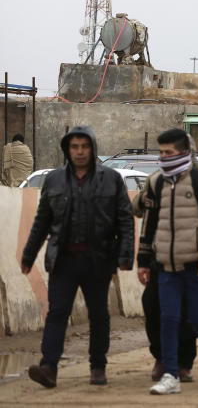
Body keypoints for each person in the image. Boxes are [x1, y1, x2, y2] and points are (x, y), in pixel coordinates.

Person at [20, 125, 135, 389]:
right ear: (67, 150)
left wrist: (125, 255)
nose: (80, 152)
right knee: (57, 312)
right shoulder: (54, 180)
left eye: (84, 146)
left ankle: (98, 366)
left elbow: (125, 221)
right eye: (75, 147)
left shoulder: (111, 179)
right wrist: (29, 255)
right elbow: (42, 222)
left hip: (99, 259)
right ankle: (48, 366)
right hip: (63, 259)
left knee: (98, 314)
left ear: (92, 148)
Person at [137, 128, 198, 395]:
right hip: (165, 265)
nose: (164, 157)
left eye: (169, 153)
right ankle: (171, 374)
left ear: (185, 152)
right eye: (161, 152)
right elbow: (148, 223)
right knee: (168, 318)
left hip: (196, 264)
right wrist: (143, 259)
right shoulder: (156, 183)